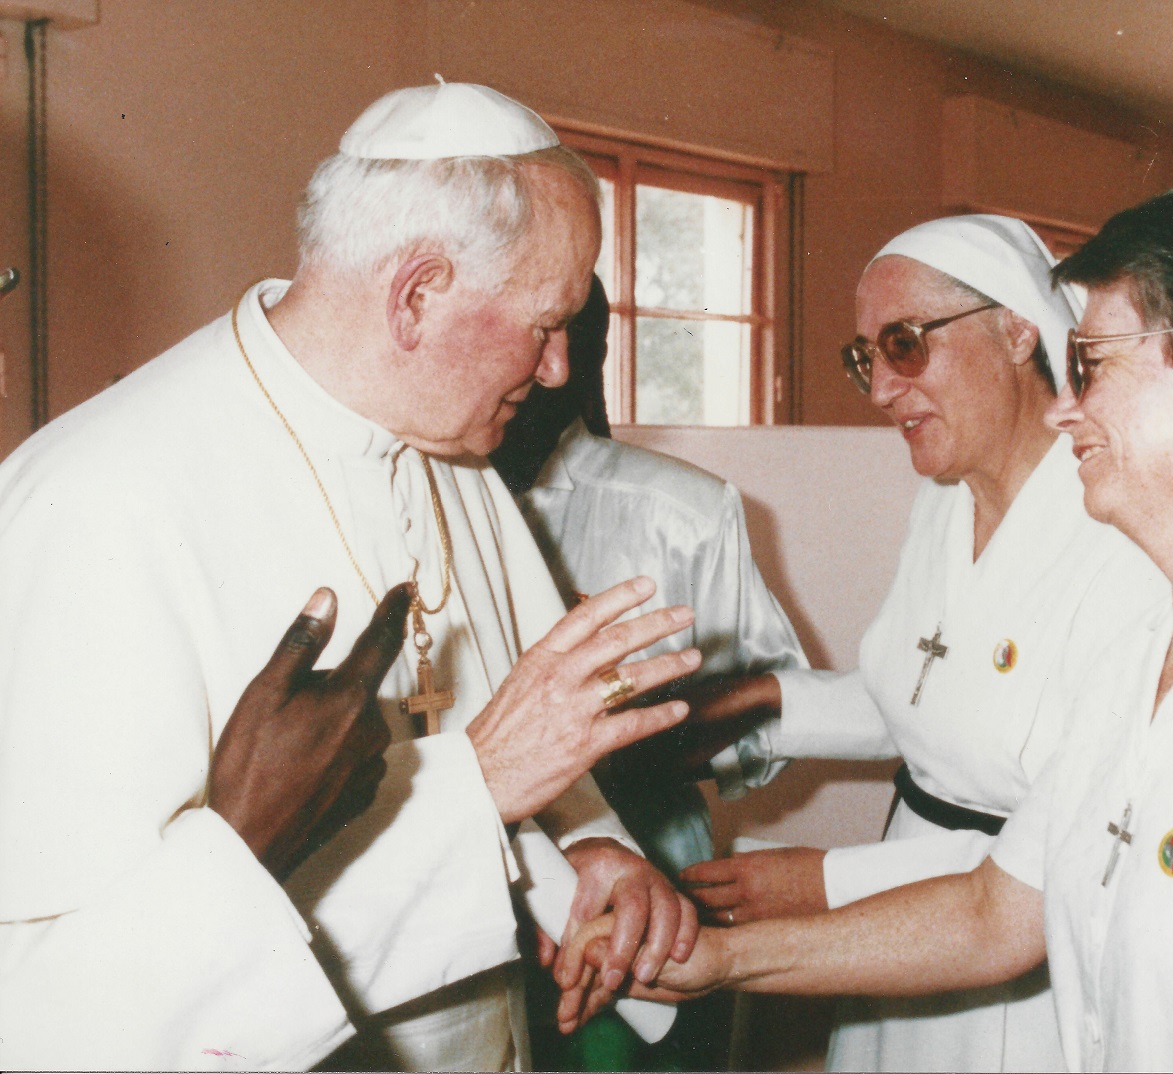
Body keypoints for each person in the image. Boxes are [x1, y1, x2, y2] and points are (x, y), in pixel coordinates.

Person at [561, 172, 1173, 1073]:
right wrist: (717, 964)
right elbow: (993, 915)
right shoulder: (1152, 656)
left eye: (1091, 365)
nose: (1062, 407)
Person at [0, 82, 702, 1072]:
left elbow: (533, 749)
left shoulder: (450, 442)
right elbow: (68, 1010)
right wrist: (483, 785)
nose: (556, 371)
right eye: (547, 323)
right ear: (417, 295)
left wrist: (588, 852)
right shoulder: (99, 502)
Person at [671, 215, 1166, 1072]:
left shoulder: (1117, 534)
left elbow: (1057, 838)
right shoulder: (946, 498)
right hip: (908, 908)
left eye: (905, 344)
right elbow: (929, 689)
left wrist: (827, 883)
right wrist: (759, 703)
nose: (879, 390)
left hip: (1015, 944)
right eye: (866, 356)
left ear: (1017, 328)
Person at [493, 273, 807, 1069]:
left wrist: (635, 738)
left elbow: (776, 706)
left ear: (587, 355)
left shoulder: (682, 512)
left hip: (650, 873)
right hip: (481, 885)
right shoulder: (429, 499)